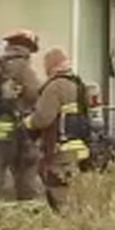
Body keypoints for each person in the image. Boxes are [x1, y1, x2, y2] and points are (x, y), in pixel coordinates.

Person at [23, 47, 90, 211]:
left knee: (58, 195)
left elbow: (43, 119)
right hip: (80, 149)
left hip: (60, 151)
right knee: (74, 194)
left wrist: (26, 123)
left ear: (50, 67)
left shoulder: (55, 86)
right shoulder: (78, 84)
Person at [0, 30, 43, 202]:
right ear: (26, 48)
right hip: (18, 129)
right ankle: (27, 211)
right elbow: (33, 93)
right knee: (27, 171)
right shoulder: (22, 67)